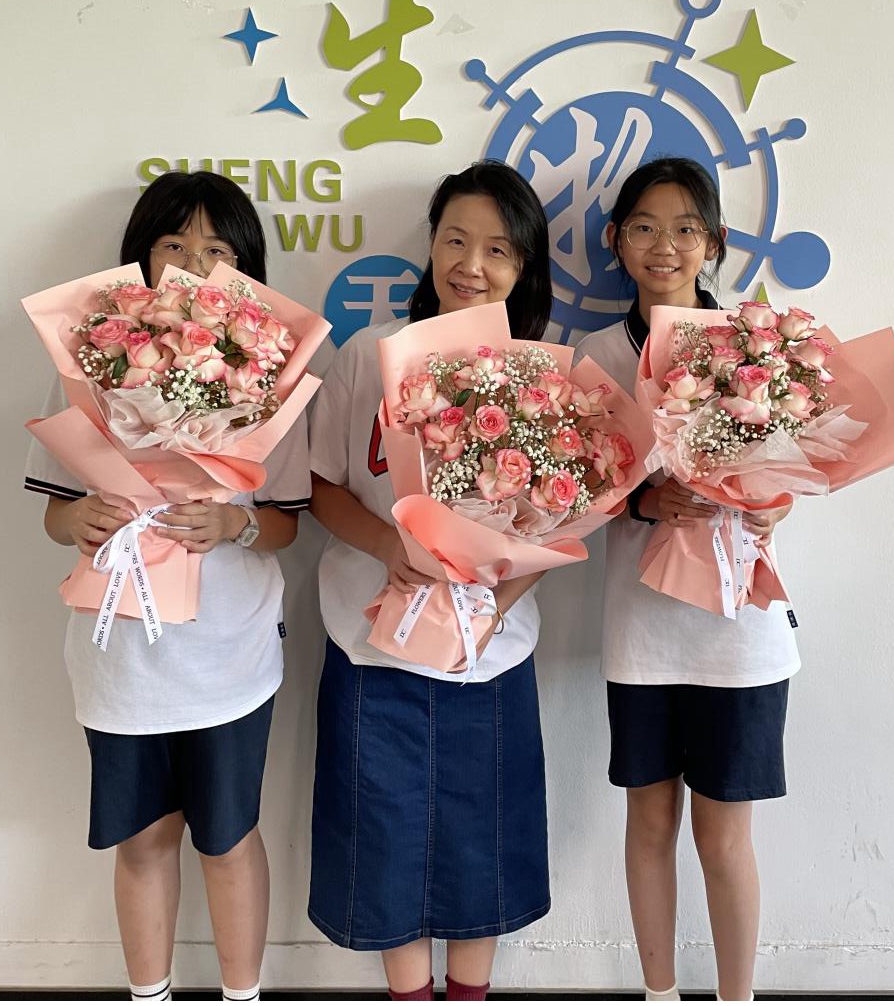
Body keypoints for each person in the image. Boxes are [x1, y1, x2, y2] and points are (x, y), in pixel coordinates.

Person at [25, 172, 310, 1004]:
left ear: (245, 269)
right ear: (141, 255)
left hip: (229, 656)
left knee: (228, 838)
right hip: (123, 659)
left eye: (217, 250)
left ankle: (242, 995)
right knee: (144, 842)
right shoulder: (88, 360)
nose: (193, 264)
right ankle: (148, 995)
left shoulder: (271, 375)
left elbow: (288, 522)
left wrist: (233, 525)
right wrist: (78, 519)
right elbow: (53, 514)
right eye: (174, 245)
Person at [307, 162, 553, 1002]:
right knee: (382, 845)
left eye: (497, 249)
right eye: (455, 240)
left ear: (524, 266)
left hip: (490, 655)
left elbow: (561, 521)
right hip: (372, 645)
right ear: (431, 244)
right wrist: (389, 546)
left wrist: (495, 601)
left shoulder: (542, 378)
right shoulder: (365, 356)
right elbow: (323, 488)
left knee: (484, 844)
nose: (470, 265)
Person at [573, 157, 796, 1003]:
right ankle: (659, 994)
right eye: (643, 227)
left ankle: (737, 997)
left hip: (740, 633)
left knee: (724, 838)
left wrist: (774, 508)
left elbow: (796, 467)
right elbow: (574, 492)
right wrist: (641, 502)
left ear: (715, 242)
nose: (663, 245)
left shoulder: (755, 348)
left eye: (685, 228)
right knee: (650, 824)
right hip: (643, 631)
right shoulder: (595, 356)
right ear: (615, 239)